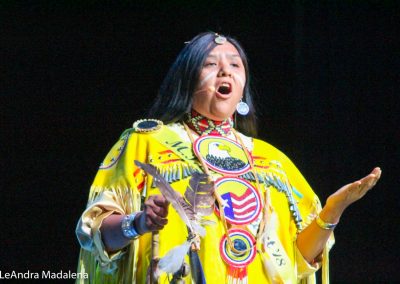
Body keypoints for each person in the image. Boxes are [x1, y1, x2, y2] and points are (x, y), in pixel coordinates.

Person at [75, 32, 381, 284]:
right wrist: (138, 222)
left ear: (243, 85)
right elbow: (94, 234)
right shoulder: (147, 143)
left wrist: (332, 211)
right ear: (186, 81)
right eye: (210, 64)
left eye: (235, 65)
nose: (225, 71)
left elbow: (297, 260)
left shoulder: (272, 160)